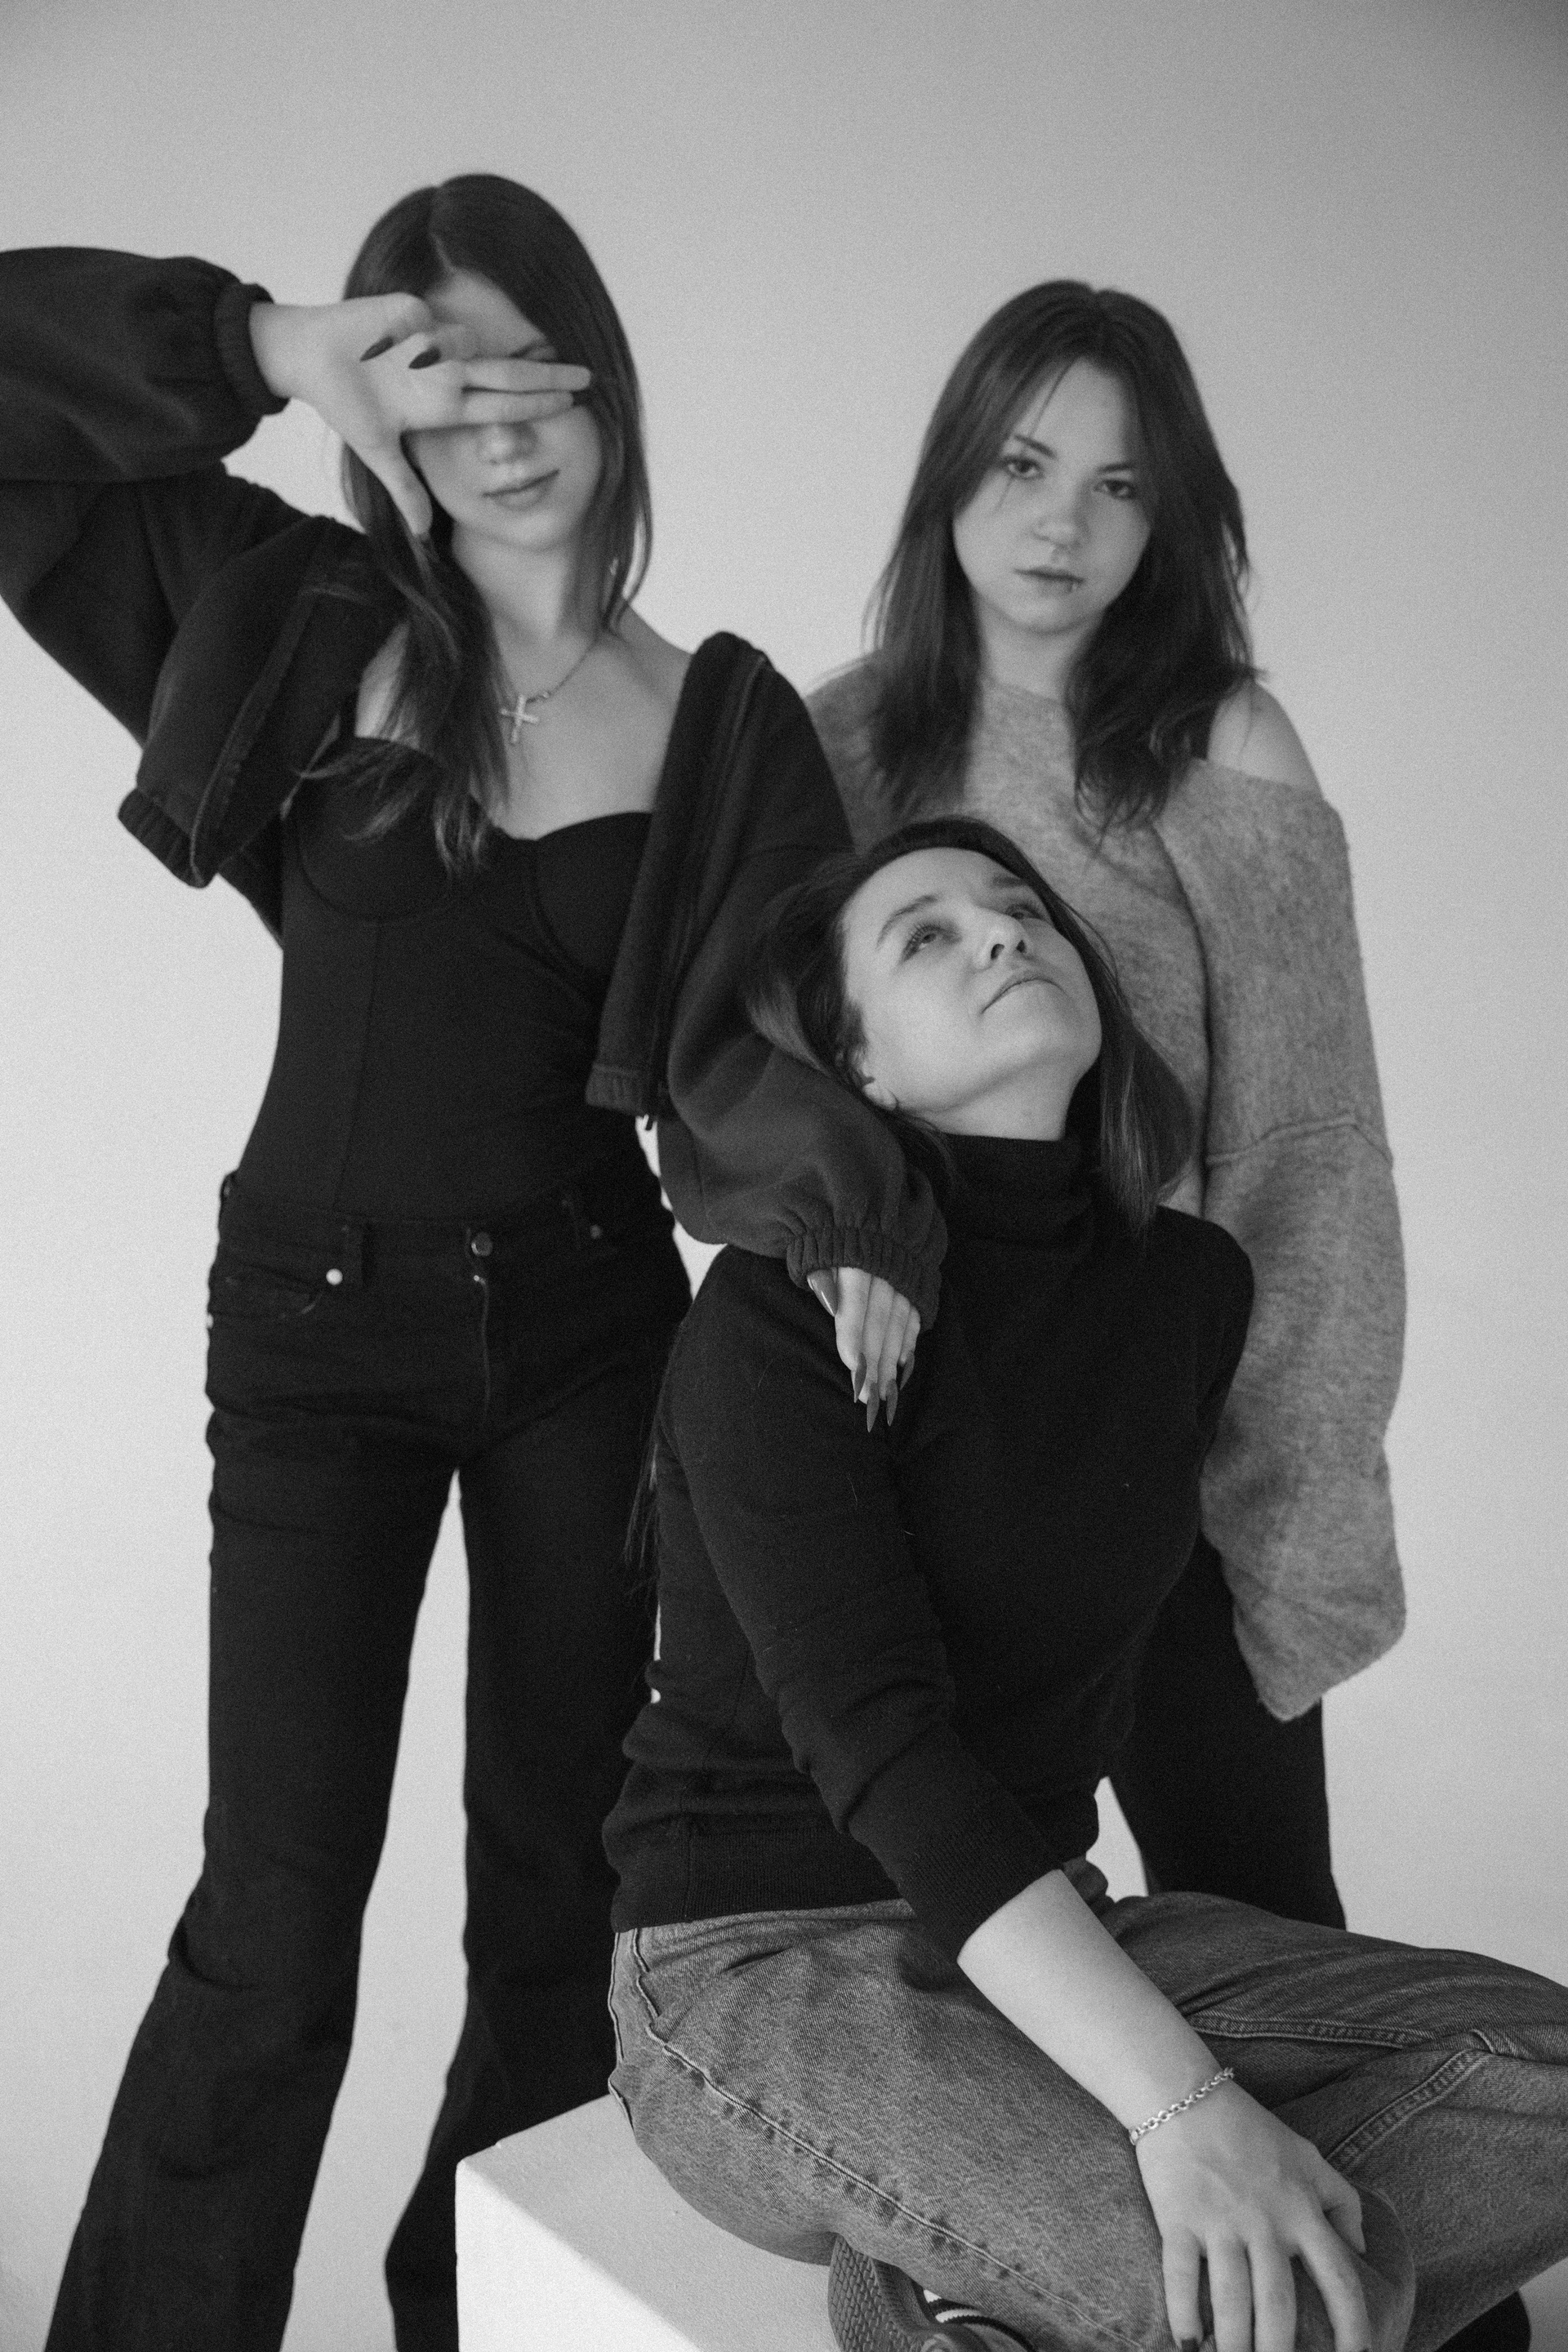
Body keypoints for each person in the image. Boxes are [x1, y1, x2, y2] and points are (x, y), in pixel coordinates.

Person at [0, 177, 935, 2352]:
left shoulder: (722, 720)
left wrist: (853, 1224)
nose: (502, 424)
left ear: (611, 392)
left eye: (541, 373)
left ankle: (481, 2315)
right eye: (441, 376)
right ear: (382, 407)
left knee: (556, 1909)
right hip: (311, 1336)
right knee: (272, 1922)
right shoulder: (281, 609)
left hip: (594, 1342)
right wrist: (261, 344)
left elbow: (774, 1056)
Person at [603, 818, 1568, 2352]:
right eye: (926, 935)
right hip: (757, 1966)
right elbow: (883, 1743)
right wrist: (1189, 2106)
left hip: (1050, 1931)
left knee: (1546, 2082)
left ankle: (943, 2289)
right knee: (1284, 2308)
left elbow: (1154, 1645)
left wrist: (1226, 2078)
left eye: (1021, 909)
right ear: (859, 1066)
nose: (1003, 933)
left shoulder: (1189, 1291)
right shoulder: (782, 1315)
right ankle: (1024, 2272)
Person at [808, 280, 1404, 1934]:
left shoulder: (1224, 748)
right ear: (950, 471)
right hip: (911, 1446)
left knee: (1267, 1935)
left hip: (1168, 1456)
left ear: (1169, 517)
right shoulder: (833, 743)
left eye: (1119, 484)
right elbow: (757, 1085)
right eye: (1021, 464)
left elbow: (1311, 1162)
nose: (1061, 524)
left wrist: (1277, 1501)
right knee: (915, 1955)